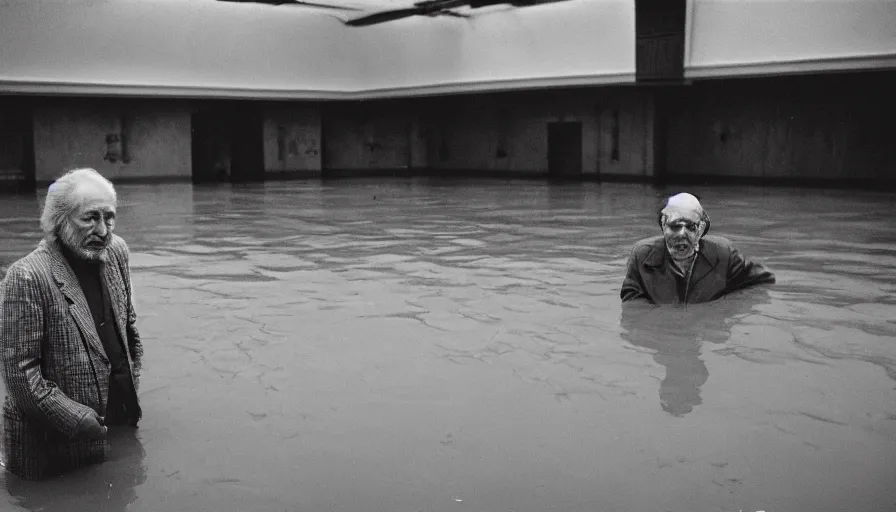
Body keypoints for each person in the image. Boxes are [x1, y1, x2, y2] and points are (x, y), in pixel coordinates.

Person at [0, 168, 142, 480]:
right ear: (59, 220)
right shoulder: (26, 276)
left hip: (116, 424)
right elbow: (21, 378)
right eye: (90, 218)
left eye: (109, 217)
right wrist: (77, 420)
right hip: (53, 450)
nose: (102, 230)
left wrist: (130, 390)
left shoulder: (116, 251)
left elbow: (128, 328)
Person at [621, 192, 775, 304]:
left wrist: (726, 308)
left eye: (690, 226)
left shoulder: (724, 254)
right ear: (663, 226)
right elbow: (632, 307)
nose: (682, 234)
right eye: (675, 226)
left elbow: (763, 282)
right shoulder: (641, 255)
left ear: (701, 229)